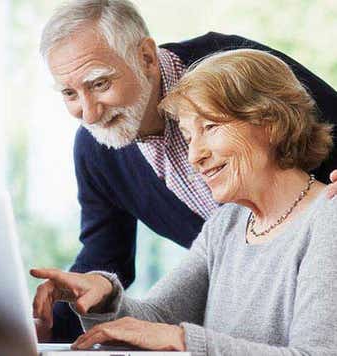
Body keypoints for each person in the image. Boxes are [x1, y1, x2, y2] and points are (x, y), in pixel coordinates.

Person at [39, 0, 337, 342]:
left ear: (147, 58)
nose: (88, 114)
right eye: (186, 134)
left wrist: (183, 340)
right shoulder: (225, 226)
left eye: (100, 83)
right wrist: (55, 322)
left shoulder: (237, 69)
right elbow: (145, 301)